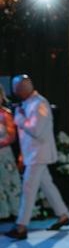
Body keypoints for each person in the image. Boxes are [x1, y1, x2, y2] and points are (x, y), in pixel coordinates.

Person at [4, 75, 69, 240]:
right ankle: (63, 215)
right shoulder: (28, 103)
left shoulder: (40, 103)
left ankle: (21, 226)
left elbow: (37, 131)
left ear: (23, 88)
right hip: (33, 154)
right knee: (47, 186)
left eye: (16, 89)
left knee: (28, 190)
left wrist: (19, 118)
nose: (14, 92)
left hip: (38, 155)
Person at [0, 84, 21, 221]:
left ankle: (16, 211)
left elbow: (12, 136)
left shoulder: (5, 114)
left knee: (10, 183)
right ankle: (3, 213)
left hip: (5, 154)